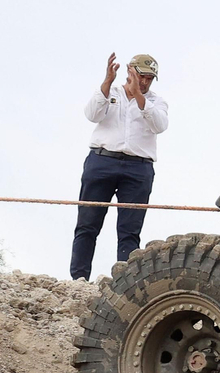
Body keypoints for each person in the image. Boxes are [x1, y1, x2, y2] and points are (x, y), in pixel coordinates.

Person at [71, 53, 169, 281]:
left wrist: (137, 95)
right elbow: (92, 114)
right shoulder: (109, 93)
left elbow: (159, 125)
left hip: (139, 168)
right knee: (87, 224)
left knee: (130, 231)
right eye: (141, 76)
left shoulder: (157, 102)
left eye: (149, 78)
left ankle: (125, 284)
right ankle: (78, 279)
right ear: (130, 71)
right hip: (101, 161)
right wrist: (107, 81)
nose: (144, 82)